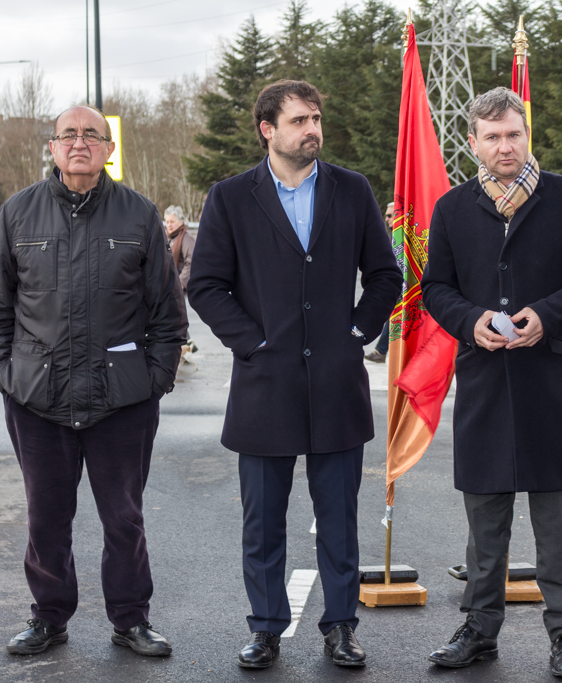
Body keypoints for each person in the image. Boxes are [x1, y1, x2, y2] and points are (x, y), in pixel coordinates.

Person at [187, 80, 402, 670]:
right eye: (300, 120)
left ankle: (340, 627)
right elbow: (205, 284)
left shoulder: (351, 190)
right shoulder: (230, 197)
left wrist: (356, 333)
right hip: (264, 388)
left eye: (317, 118)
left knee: (338, 519)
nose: (313, 129)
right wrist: (253, 343)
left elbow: (386, 275)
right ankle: (265, 628)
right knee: (262, 525)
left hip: (336, 386)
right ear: (268, 129)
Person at [0, 105, 188, 658]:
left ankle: (131, 620)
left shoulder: (139, 216)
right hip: (37, 402)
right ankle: (49, 618)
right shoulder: (19, 214)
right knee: (46, 518)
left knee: (124, 519)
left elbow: (167, 312)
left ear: (108, 148)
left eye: (91, 135)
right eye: (67, 135)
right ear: (52, 147)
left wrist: (154, 379)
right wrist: (6, 375)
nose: (79, 143)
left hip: (122, 402)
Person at [421, 87, 562, 678]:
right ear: (472, 143)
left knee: (558, 526)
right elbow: (436, 289)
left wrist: (547, 316)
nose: (506, 146)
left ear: (528, 135)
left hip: (551, 381)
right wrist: (471, 322)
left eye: (514, 134)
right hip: (484, 383)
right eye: (493, 136)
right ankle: (480, 628)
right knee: (485, 524)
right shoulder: (452, 208)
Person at [365, 201, 395, 363]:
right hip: (397, 287)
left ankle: (381, 351)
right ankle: (381, 351)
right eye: (387, 216)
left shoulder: (404, 236)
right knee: (393, 317)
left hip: (411, 288)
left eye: (392, 215)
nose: (388, 219)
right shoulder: (388, 236)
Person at [164, 204, 195, 294]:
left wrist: (180, 283)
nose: (169, 225)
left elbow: (191, 262)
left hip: (178, 289)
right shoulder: (165, 237)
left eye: (172, 222)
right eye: (167, 222)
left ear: (181, 222)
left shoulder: (187, 238)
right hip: (166, 287)